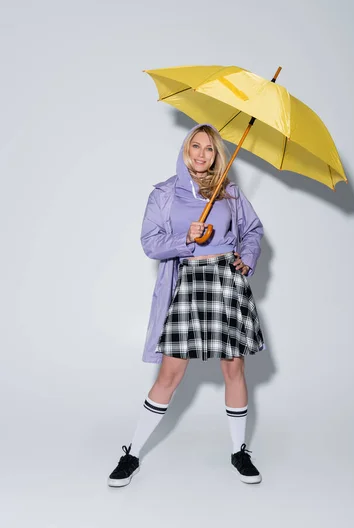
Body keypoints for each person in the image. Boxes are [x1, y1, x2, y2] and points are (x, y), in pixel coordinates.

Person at [107, 123, 265, 488]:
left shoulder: (230, 192)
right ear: (185, 148)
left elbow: (253, 231)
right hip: (188, 285)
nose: (201, 154)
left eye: (210, 149)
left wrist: (248, 257)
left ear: (217, 156)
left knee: (234, 368)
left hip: (226, 281)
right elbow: (150, 243)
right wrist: (186, 238)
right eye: (196, 146)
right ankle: (132, 453)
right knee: (170, 374)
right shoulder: (165, 194)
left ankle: (239, 450)